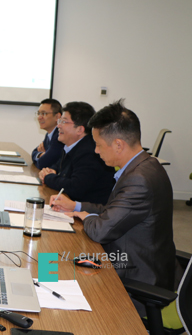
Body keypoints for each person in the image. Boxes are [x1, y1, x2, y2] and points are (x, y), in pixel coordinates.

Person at [51, 100, 176, 313]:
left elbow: (101, 231)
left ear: (118, 144)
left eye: (99, 145)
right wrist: (77, 206)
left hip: (134, 280)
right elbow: (114, 210)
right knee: (53, 260)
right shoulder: (146, 166)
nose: (96, 151)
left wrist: (86, 217)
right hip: (129, 260)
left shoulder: (139, 180)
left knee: (53, 271)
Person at [39, 101, 114, 205]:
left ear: (79, 129)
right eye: (60, 121)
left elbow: (74, 187)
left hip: (89, 211)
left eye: (63, 122)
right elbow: (59, 166)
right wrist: (51, 170)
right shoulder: (70, 146)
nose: (58, 125)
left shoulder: (90, 152)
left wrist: (48, 177)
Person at [31, 98, 63, 169]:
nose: (39, 117)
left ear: (57, 116)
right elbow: (34, 153)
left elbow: (42, 164)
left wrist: (43, 157)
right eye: (39, 113)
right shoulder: (49, 134)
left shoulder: (59, 136)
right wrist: (41, 155)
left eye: (44, 113)